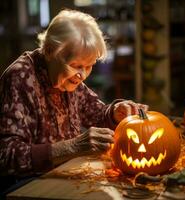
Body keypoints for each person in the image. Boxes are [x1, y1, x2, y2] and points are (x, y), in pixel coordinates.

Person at [0, 9, 148, 197]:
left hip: (66, 171)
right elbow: (6, 155)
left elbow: (97, 114)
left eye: (89, 66)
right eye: (77, 66)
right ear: (50, 51)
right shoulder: (20, 77)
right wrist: (73, 147)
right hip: (26, 184)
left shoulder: (67, 77)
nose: (83, 75)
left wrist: (114, 112)